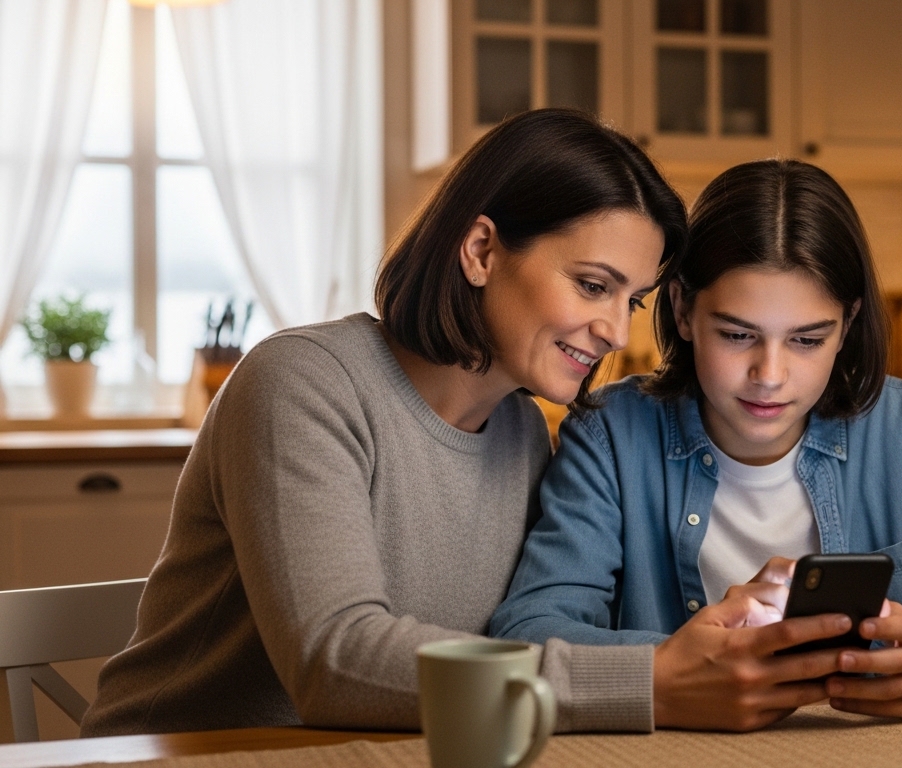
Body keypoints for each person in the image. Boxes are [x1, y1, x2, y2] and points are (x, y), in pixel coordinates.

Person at [81, 109, 690, 736]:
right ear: (481, 251)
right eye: (593, 286)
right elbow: (336, 662)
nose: (618, 331)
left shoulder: (523, 433)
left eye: (634, 300)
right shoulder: (302, 381)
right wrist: (647, 681)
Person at [489, 159, 902, 731]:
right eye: (736, 334)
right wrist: (676, 668)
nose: (770, 375)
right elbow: (533, 633)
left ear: (848, 325)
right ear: (681, 310)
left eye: (807, 340)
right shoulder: (610, 435)